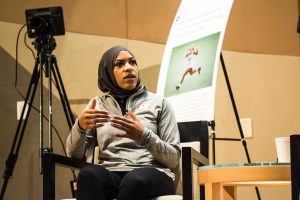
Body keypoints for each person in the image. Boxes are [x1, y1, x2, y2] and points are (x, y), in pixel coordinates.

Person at [66, 45, 181, 200]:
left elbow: (173, 158)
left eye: (132, 62)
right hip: (111, 173)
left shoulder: (159, 103)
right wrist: (79, 127)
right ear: (107, 72)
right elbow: (74, 154)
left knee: (134, 180)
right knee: (88, 175)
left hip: (153, 174)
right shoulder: (97, 105)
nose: (128, 68)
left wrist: (144, 136)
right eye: (120, 64)